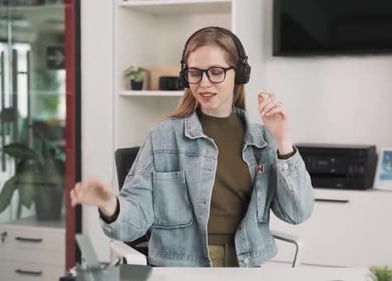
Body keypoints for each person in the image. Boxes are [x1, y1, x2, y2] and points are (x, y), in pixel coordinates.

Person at [70, 26, 314, 267]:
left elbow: (296, 213)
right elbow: (133, 223)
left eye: (216, 72)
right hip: (182, 266)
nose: (204, 83)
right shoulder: (164, 137)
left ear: (239, 74)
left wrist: (283, 140)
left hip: (246, 264)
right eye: (195, 73)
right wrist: (109, 204)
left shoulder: (262, 140)